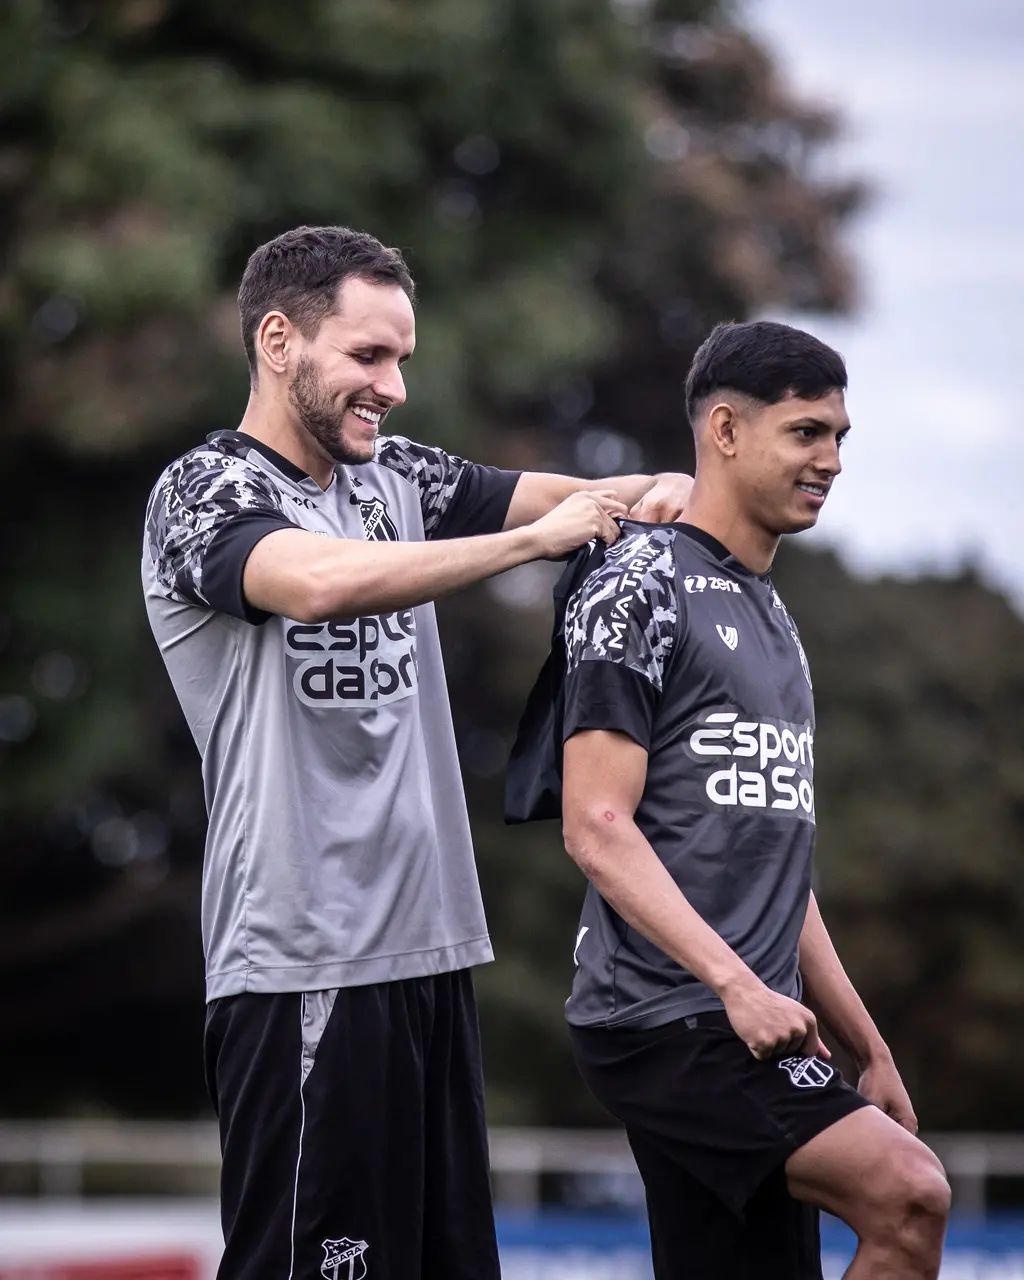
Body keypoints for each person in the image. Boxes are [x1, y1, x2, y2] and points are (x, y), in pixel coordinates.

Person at [141, 223, 692, 1280]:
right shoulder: (204, 489)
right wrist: (536, 541)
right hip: (305, 958)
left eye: (402, 357)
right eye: (368, 355)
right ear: (277, 340)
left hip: (432, 954)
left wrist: (664, 486)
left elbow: (570, 494)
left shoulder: (396, 477)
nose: (393, 384)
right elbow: (310, 580)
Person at [548, 321, 949, 1278]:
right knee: (911, 1195)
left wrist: (869, 1044)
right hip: (670, 1017)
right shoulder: (636, 588)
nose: (834, 460)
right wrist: (736, 986)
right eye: (808, 433)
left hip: (741, 1017)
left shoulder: (774, 615)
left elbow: (778, 871)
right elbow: (594, 827)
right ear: (724, 430)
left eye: (841, 437)